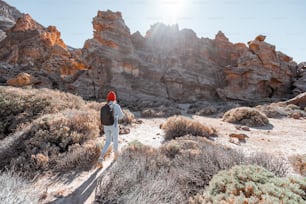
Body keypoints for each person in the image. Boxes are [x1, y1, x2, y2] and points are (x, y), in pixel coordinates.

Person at [97, 91, 124, 169]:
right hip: (114, 125)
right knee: (115, 140)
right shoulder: (116, 106)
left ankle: (101, 158)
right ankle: (115, 157)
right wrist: (116, 117)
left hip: (106, 125)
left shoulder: (105, 106)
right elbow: (122, 116)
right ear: (114, 99)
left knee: (108, 141)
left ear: (108, 99)